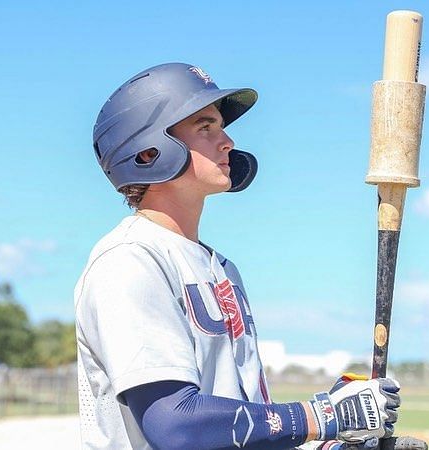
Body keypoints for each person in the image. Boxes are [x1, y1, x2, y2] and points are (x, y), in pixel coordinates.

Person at [75, 62, 401, 450]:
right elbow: (175, 425)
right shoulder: (130, 261)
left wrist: (329, 441)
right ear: (148, 153)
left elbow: (238, 425)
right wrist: (323, 416)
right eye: (205, 127)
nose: (227, 140)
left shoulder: (220, 267)